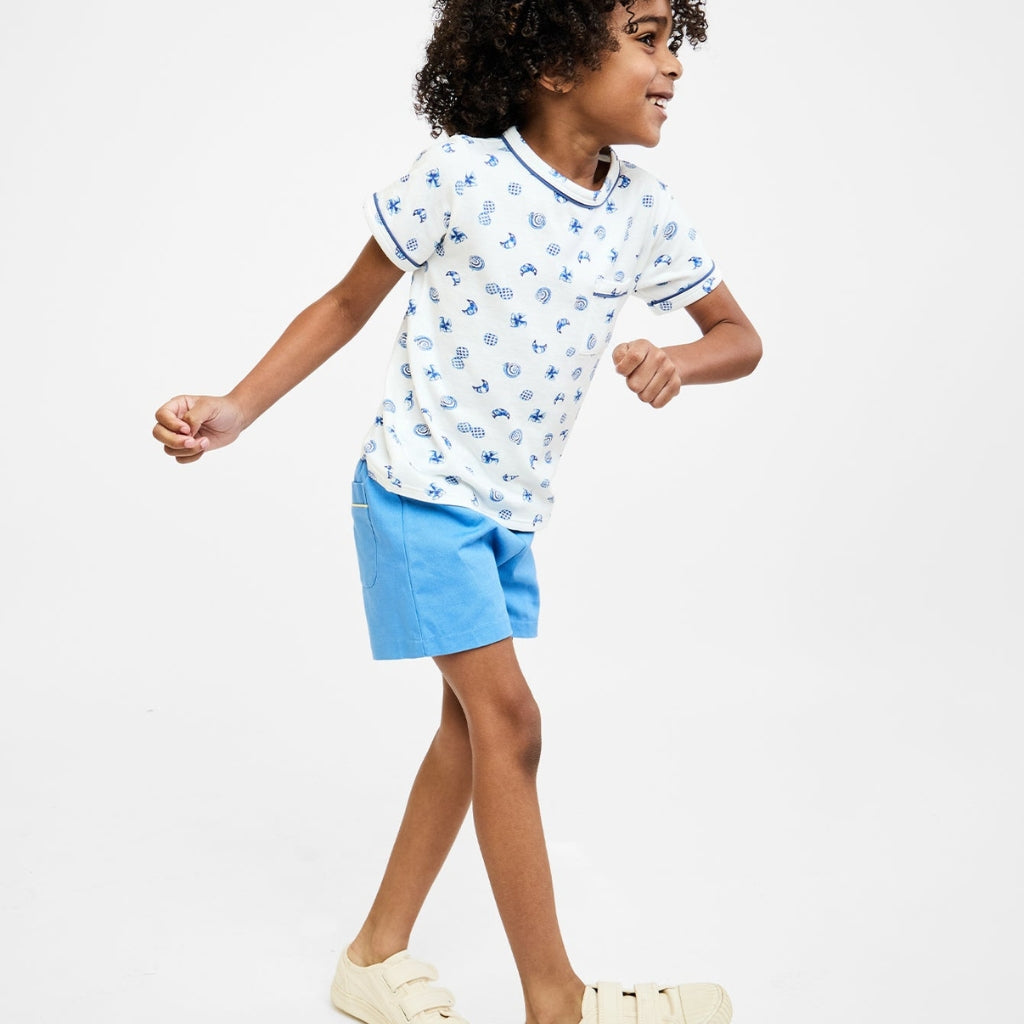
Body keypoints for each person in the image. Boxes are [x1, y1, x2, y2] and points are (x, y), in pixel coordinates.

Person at [152, 2, 761, 1023]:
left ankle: (372, 955)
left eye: (675, 41)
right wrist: (236, 409)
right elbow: (347, 302)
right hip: (416, 493)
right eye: (648, 37)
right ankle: (556, 1002)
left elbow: (738, 336)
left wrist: (678, 360)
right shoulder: (459, 175)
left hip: (508, 516)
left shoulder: (644, 210)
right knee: (511, 722)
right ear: (555, 59)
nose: (673, 66)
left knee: (470, 731)